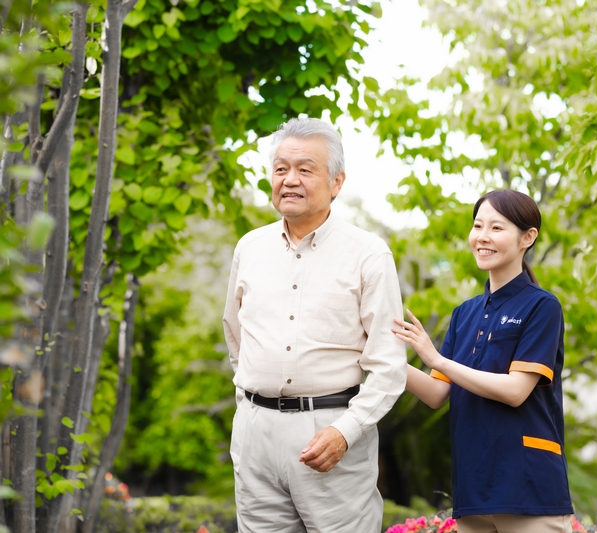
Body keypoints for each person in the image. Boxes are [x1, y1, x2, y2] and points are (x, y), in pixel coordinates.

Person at [223, 117, 407, 533]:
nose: (290, 180)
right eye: (281, 168)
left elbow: (389, 366)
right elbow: (235, 334)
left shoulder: (368, 255)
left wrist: (345, 432)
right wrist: (256, 395)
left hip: (332, 433)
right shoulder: (249, 248)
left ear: (337, 182)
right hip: (255, 433)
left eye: (305, 169)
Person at [392, 189, 574, 533]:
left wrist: (437, 359)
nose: (482, 237)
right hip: (473, 492)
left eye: (497, 228)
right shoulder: (464, 314)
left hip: (529, 491)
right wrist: (379, 359)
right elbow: (435, 394)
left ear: (528, 237)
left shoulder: (542, 307)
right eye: (478, 226)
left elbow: (516, 391)